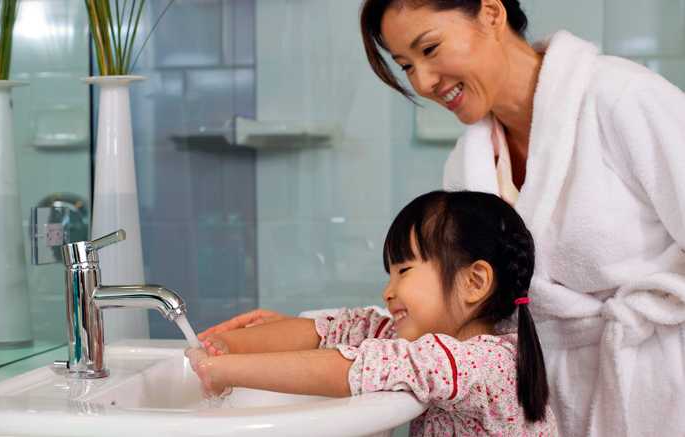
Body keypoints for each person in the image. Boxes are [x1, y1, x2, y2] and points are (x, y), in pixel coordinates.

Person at [203, 1, 685, 435]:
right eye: (406, 65)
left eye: (430, 48)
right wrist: (294, 330)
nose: (423, 82)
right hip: (544, 392)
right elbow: (447, 304)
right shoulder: (467, 163)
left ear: (491, 14)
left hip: (652, 388)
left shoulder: (622, 99)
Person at [187, 191, 558, 436]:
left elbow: (350, 369)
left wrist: (223, 370)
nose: (388, 290)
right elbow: (334, 331)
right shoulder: (425, 344)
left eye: (404, 270)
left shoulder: (485, 362)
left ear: (474, 282)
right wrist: (226, 345)